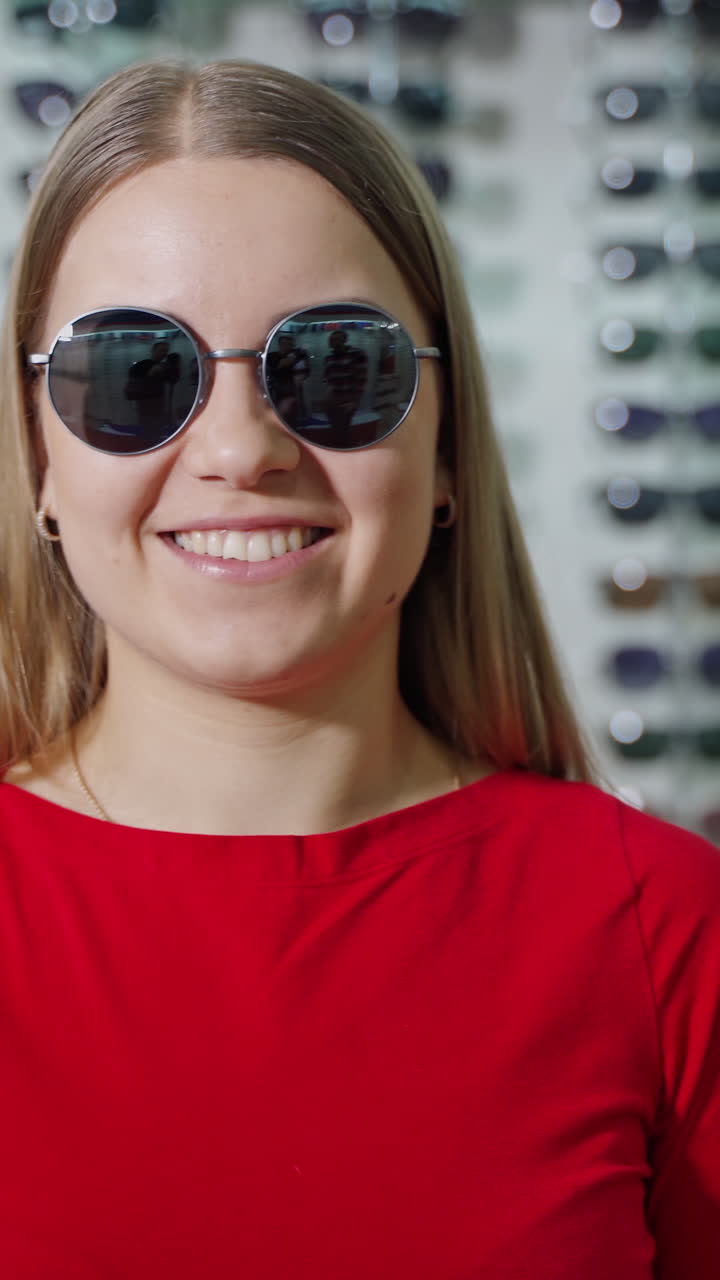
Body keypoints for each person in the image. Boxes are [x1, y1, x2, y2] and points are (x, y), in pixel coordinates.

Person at [0, 59, 718, 1279]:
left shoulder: (665, 929)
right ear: (41, 463)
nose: (239, 448)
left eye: (334, 363)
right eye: (134, 373)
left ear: (444, 452)